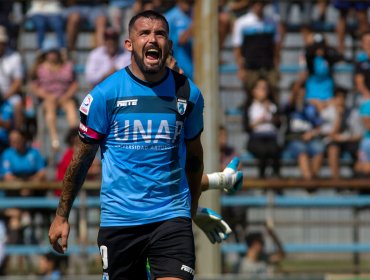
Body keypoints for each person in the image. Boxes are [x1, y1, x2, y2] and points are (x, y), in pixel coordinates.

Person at [49, 10, 241, 280]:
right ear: (129, 44)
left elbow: (194, 157)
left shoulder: (188, 94)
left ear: (169, 45)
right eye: (144, 33)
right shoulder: (106, 95)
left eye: (160, 34)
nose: (153, 39)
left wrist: (191, 208)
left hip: (171, 218)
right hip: (121, 222)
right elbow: (80, 161)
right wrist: (61, 215)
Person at [30, 38, 79, 152]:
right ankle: (54, 139)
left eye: (54, 52)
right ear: (46, 54)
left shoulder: (67, 66)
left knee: (71, 107)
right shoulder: (40, 68)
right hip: (48, 97)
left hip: (64, 96)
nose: (52, 55)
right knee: (50, 108)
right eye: (50, 53)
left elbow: (74, 84)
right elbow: (34, 87)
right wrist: (46, 96)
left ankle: (75, 136)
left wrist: (67, 95)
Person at [232, 0, 280, 95]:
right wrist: (241, 69)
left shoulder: (272, 22)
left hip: (268, 66)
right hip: (251, 67)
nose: (259, 6)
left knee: (273, 95)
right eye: (256, 3)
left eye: (261, 3)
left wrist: (277, 67)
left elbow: (276, 46)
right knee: (250, 96)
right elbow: (237, 48)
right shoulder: (242, 22)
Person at [243, 78, 281, 178]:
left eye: (265, 88)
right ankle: (262, 177)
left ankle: (276, 177)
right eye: (260, 88)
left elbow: (279, 124)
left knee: (274, 150)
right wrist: (259, 121)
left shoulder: (272, 106)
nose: (263, 91)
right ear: (253, 91)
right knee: (263, 151)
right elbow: (246, 127)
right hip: (256, 138)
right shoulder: (249, 106)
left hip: (270, 137)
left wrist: (270, 112)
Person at [0, 25, 23, 129]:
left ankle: (18, 132)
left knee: (17, 105)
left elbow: (17, 82)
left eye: (2, 43)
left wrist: (5, 96)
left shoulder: (15, 57)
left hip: (8, 93)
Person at [165, 0, 194, 79]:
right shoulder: (170, 17)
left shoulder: (194, 14)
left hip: (193, 67)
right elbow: (180, 40)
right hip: (178, 66)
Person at [355, 31, 370, 100]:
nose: (368, 45)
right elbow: (359, 84)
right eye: (367, 43)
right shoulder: (360, 60)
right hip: (366, 96)